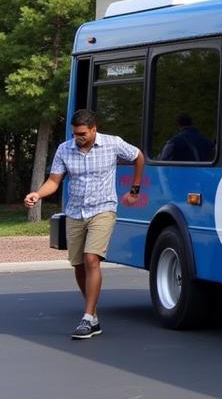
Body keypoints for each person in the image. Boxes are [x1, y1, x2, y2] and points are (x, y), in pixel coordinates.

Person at [24, 108, 144, 339]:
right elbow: (54, 180)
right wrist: (37, 194)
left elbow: (138, 156)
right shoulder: (64, 149)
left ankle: (87, 317)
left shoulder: (112, 144)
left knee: (91, 259)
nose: (77, 138)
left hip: (103, 209)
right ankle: (94, 316)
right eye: (74, 134)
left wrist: (135, 190)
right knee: (79, 265)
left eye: (81, 134)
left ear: (93, 129)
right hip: (75, 212)